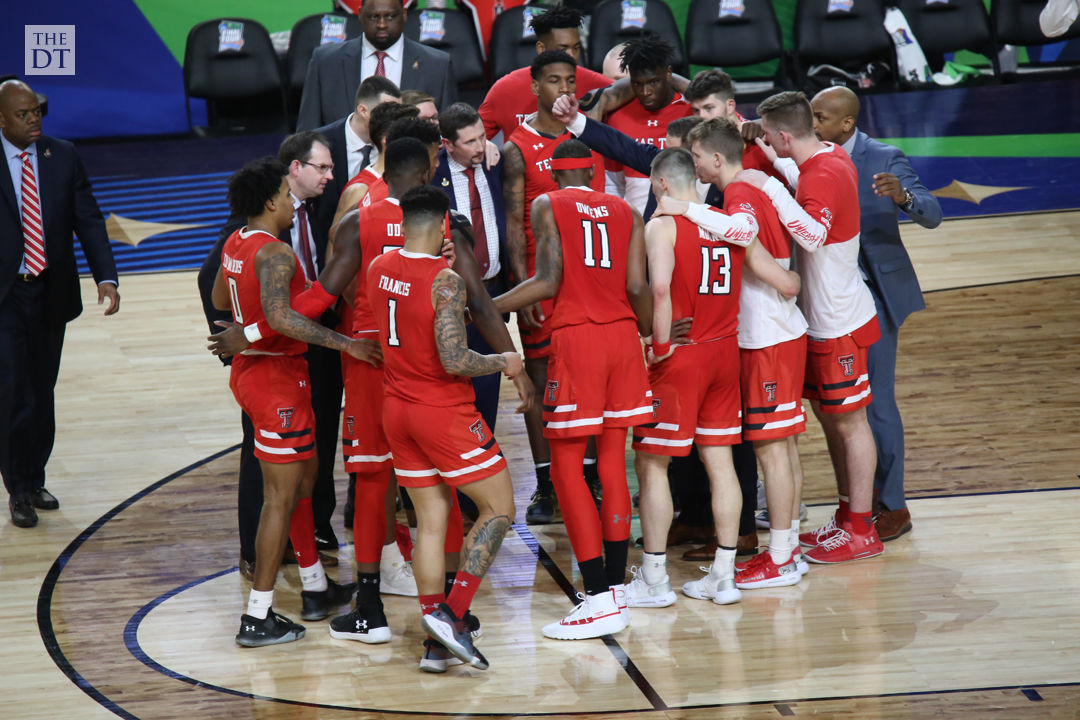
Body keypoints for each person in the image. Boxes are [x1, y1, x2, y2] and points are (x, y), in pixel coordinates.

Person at [495, 140, 653, 640]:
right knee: (610, 463)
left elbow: (548, 279)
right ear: (593, 169)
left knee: (566, 468)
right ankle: (615, 587)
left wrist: (488, 306)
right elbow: (635, 287)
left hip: (578, 340)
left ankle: (597, 594)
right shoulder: (628, 210)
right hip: (624, 338)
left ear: (554, 174)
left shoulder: (547, 204)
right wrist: (652, 335)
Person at [210, 157, 368, 646]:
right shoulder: (276, 253)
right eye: (285, 190)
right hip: (274, 379)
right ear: (270, 201)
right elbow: (281, 319)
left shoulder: (236, 242)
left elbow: (220, 298)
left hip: (260, 373)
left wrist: (246, 324)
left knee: (304, 479)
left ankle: (317, 588)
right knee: (280, 497)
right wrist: (346, 344)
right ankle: (257, 617)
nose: (291, 197)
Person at [651, 120, 810, 594]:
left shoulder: (733, 198)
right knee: (772, 450)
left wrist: (655, 348)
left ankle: (778, 557)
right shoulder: (734, 200)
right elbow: (784, 278)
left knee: (765, 451)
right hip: (736, 347)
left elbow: (660, 287)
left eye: (698, 155)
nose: (696, 165)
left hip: (750, 343)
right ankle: (776, 553)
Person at [367, 185, 521, 670]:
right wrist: (504, 360)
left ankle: (436, 646)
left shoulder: (378, 268)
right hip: (442, 412)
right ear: (440, 228)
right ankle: (452, 617)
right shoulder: (444, 280)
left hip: (396, 409)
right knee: (498, 508)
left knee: (431, 521)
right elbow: (454, 358)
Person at [736, 91, 885, 564]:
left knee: (851, 423)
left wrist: (769, 185)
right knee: (834, 422)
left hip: (840, 320)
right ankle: (847, 519)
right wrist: (770, 161)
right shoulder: (829, 156)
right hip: (823, 319)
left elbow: (813, 234)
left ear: (783, 135)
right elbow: (802, 176)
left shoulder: (823, 171)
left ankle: (863, 529)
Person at [808, 87, 942, 541]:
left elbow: (932, 213)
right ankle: (854, 507)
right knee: (839, 406)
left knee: (876, 401)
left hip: (877, 294)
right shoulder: (810, 157)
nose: (811, 123)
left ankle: (893, 506)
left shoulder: (884, 156)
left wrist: (904, 197)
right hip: (829, 298)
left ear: (846, 123)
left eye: (820, 116)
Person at [0, 79, 120, 529]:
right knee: (12, 393)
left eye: (37, 111)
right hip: (5, 296)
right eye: (23, 114)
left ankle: (34, 478)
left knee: (41, 391)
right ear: (0, 119)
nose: (34, 119)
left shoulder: (62, 154)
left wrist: (106, 277)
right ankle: (17, 488)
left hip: (51, 291)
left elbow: (88, 219)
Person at [501, 51, 607, 525]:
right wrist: (523, 289)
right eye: (553, 81)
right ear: (535, 87)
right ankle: (546, 483)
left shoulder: (589, 132)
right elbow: (510, 224)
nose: (563, 90)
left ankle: (590, 476)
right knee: (544, 383)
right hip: (544, 284)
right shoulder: (516, 146)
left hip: (593, 283)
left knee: (593, 379)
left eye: (570, 82)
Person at [432, 102, 509, 432]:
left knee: (488, 390)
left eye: (483, 137)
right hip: (449, 302)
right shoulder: (434, 175)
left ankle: (481, 465)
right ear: (447, 144)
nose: (480, 146)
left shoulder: (495, 163)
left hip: (492, 293)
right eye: (471, 141)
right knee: (451, 393)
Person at [296, 0, 456, 131]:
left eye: (390, 16)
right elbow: (307, 132)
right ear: (360, 15)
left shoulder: (437, 64)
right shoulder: (326, 62)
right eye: (373, 17)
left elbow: (449, 133)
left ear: (404, 15)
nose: (381, 24)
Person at [478, 6, 612, 140]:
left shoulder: (600, 86)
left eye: (576, 48)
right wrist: (487, 147)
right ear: (541, 49)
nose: (572, 56)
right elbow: (468, 141)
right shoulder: (505, 89)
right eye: (563, 49)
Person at [601, 36, 692, 215]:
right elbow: (613, 183)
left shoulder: (690, 110)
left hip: (687, 222)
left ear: (668, 73)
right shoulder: (617, 116)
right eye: (637, 84)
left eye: (653, 82)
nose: (645, 92)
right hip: (636, 227)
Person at [312, 77, 402, 238]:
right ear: (362, 110)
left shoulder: (396, 147)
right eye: (388, 110)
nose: (395, 118)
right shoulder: (318, 142)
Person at [332, 102, 420, 228]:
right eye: (411, 134)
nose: (419, 140)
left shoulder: (418, 180)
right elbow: (334, 242)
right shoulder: (359, 190)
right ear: (387, 139)